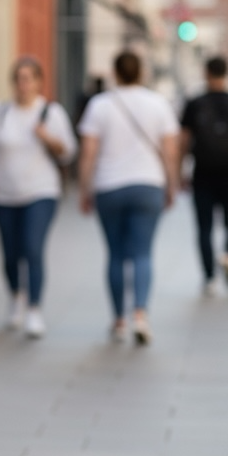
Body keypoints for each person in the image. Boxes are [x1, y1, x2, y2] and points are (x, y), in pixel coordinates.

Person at [0, 57, 76, 337]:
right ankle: (16, 295)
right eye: (19, 78)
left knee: (32, 248)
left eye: (29, 78)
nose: (23, 84)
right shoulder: (0, 112)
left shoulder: (51, 113)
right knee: (9, 255)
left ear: (39, 82)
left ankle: (34, 309)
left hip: (41, 192)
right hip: (5, 195)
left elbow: (68, 152)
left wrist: (47, 137)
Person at [78, 51, 179, 344]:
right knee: (143, 253)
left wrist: (85, 188)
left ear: (115, 72)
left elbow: (88, 153)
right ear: (141, 72)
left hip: (110, 187)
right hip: (149, 185)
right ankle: (141, 315)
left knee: (116, 254)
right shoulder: (158, 104)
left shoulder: (100, 105)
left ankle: (119, 320)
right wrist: (171, 186)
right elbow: (171, 152)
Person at [180, 56, 228, 296]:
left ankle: (209, 277)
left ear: (206, 73)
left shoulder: (195, 102)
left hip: (203, 173)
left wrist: (178, 171)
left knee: (204, 227)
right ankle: (227, 258)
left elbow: (184, 139)